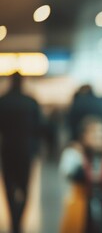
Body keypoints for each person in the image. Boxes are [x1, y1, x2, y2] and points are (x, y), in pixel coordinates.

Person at [59, 115, 102, 233]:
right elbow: (67, 171)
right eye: (94, 135)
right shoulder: (75, 153)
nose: (99, 139)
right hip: (80, 204)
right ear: (84, 136)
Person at [0, 72, 45, 233]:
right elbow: (40, 127)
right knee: (25, 187)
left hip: (7, 150)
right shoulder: (31, 102)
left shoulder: (3, 101)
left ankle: (14, 221)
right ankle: (19, 219)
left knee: (9, 186)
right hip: (27, 150)